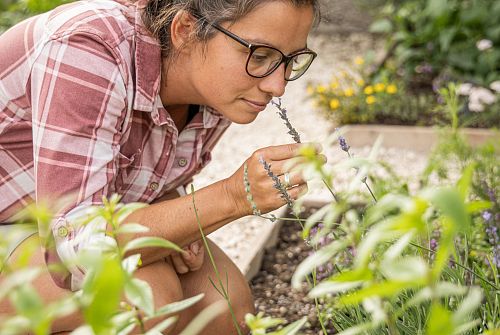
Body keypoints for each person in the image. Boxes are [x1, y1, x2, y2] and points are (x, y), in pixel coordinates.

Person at [0, 0, 324, 333]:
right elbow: (77, 254)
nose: (277, 86)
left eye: (289, 61)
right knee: (146, 302)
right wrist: (231, 196)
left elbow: (148, 181)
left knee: (224, 305)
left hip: (65, 221)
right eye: (259, 57)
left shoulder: (213, 85)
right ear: (185, 30)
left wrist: (177, 218)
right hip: (31, 230)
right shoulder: (89, 47)